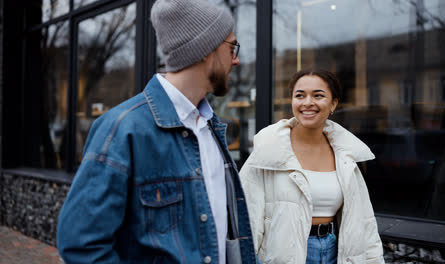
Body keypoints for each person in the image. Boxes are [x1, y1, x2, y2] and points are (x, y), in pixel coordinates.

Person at [57, 0, 257, 263]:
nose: (237, 59)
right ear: (205, 49)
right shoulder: (123, 128)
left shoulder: (210, 127)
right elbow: (80, 244)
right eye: (232, 47)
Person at [239, 69, 385, 264]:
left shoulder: (345, 155)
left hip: (335, 252)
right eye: (300, 96)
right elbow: (245, 218)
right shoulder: (268, 152)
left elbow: (364, 222)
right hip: (285, 255)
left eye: (318, 95)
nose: (307, 102)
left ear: (333, 104)